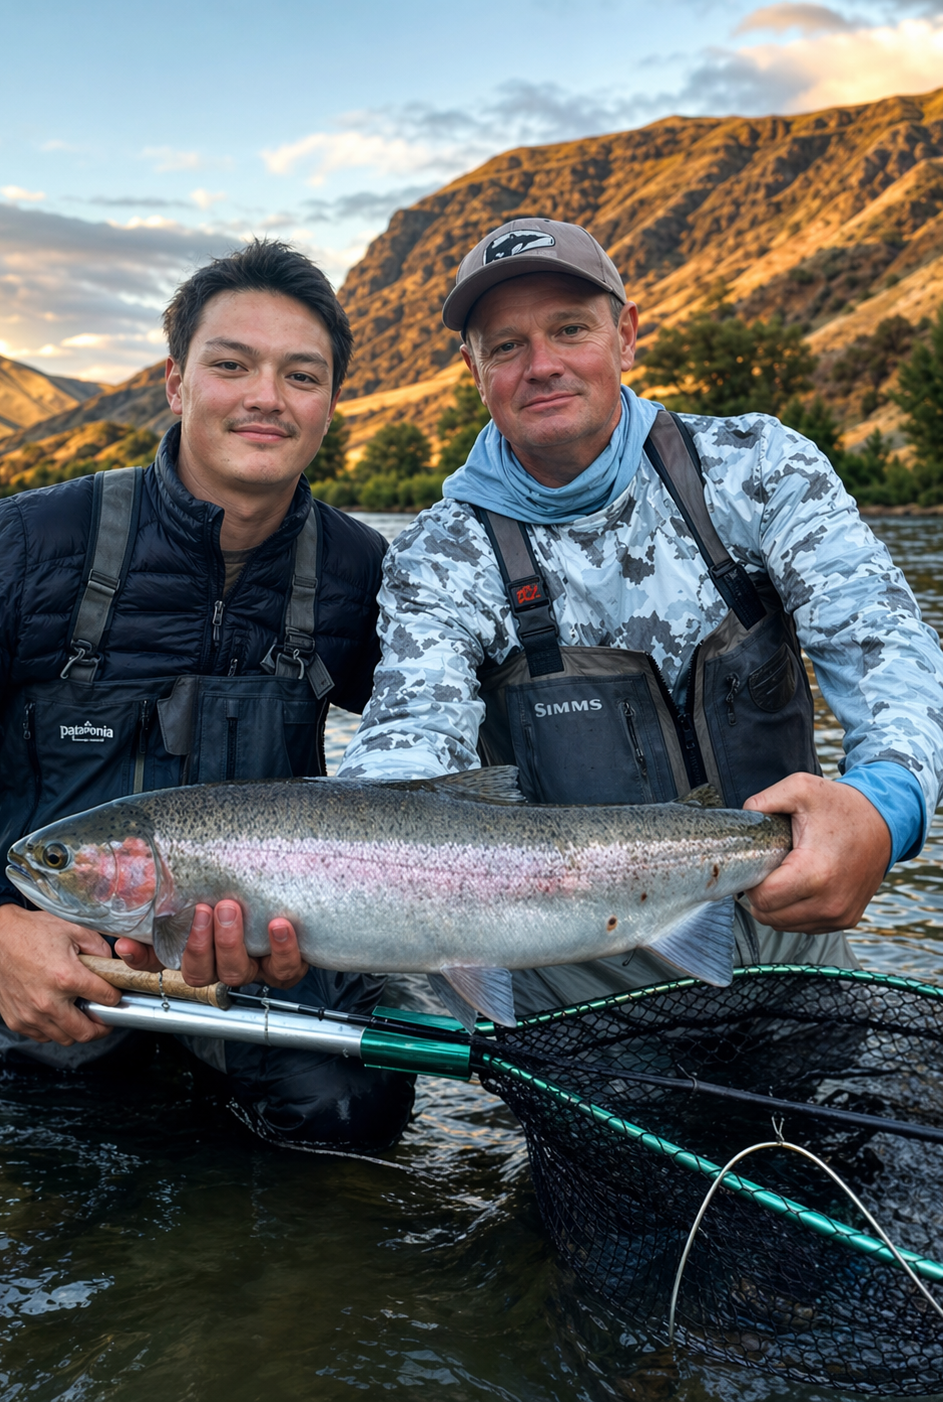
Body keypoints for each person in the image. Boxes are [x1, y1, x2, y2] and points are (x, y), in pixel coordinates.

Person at [0, 239, 414, 1149]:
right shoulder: (28, 544)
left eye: (302, 375)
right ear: (177, 384)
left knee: (353, 1124)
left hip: (267, 984)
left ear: (329, 403)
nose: (266, 396)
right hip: (60, 986)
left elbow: (464, 755)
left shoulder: (359, 569)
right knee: (49, 1184)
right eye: (232, 365)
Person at [332, 216, 943, 1016]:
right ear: (473, 368)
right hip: (580, 971)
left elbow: (886, 644)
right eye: (506, 346)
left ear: (626, 336)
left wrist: (882, 808)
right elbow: (404, 761)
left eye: (569, 329)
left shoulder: (758, 467)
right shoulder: (438, 557)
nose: (542, 365)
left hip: (789, 920)